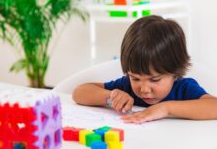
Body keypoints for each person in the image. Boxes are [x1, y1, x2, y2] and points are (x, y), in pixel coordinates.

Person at [73, 15, 217, 123]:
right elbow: (79, 93)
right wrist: (110, 96)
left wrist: (166, 108)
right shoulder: (126, 86)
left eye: (154, 79)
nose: (144, 89)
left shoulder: (184, 89)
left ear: (174, 72)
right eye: (135, 78)